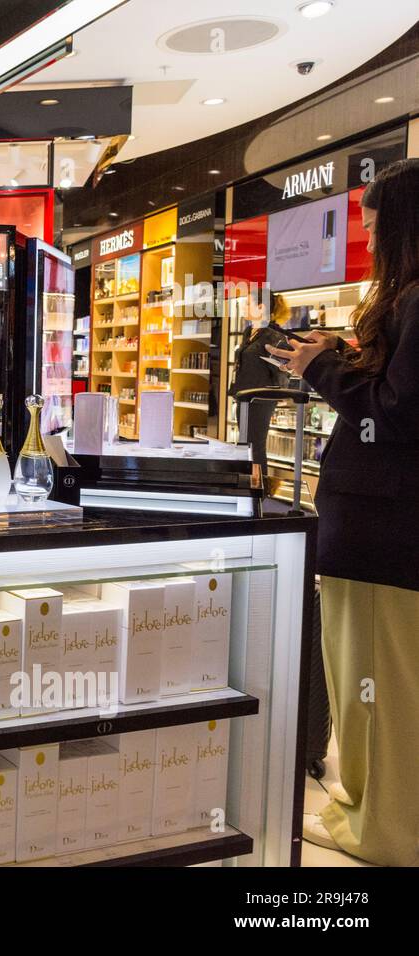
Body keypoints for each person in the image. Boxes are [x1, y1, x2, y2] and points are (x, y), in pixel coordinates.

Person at [268, 157, 419, 867]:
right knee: (373, 683)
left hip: (384, 531)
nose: (363, 228)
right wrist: (346, 357)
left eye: (372, 217)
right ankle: (365, 809)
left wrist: (323, 370)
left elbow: (396, 414)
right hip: (381, 529)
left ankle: (382, 828)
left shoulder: (417, 300)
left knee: (376, 689)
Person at [229, 288, 288, 464]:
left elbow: (283, 368)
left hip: (261, 399)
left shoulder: (273, 335)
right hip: (244, 396)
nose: (244, 307)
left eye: (248, 303)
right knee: (244, 445)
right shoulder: (249, 332)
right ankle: (248, 484)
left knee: (255, 446)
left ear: (261, 307)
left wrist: (278, 392)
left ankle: (259, 487)